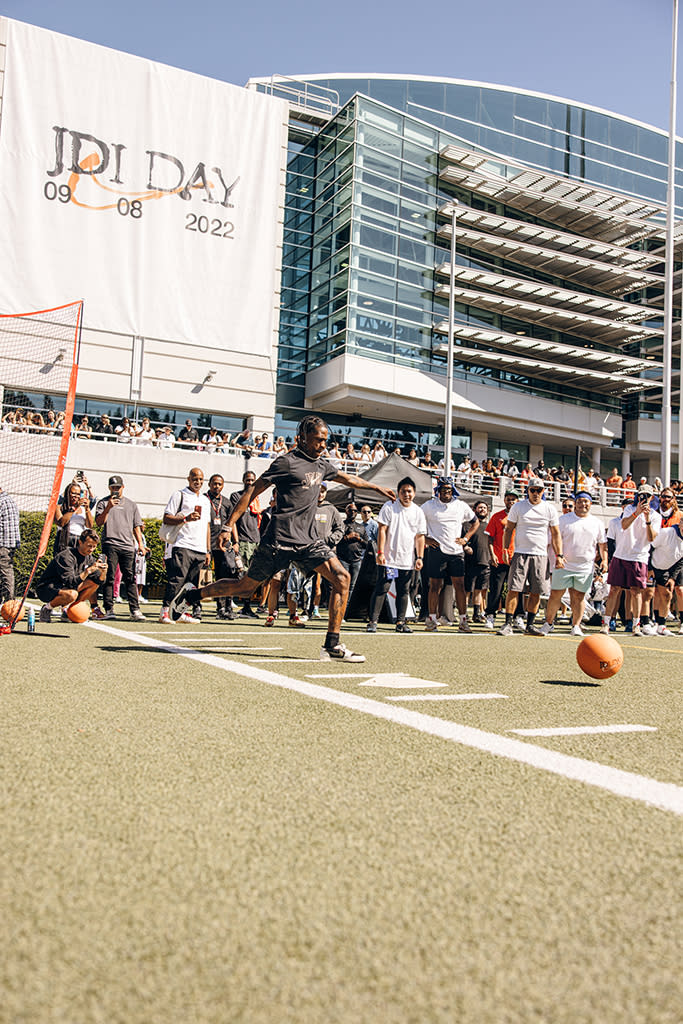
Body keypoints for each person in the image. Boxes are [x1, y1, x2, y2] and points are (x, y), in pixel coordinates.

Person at [168, 414, 396, 662]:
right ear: (303, 438)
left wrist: (376, 488)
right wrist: (227, 526)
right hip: (278, 542)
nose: (323, 445)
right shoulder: (286, 462)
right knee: (245, 588)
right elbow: (253, 491)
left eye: (326, 440)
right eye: (318, 440)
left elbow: (348, 478)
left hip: (309, 542)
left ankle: (332, 644)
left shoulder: (322, 465)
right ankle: (192, 595)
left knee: (342, 577)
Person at [498, 477, 562, 636]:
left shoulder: (549, 509)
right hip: (520, 553)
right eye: (532, 490)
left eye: (539, 490)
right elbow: (509, 529)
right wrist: (506, 549)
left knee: (536, 591)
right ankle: (508, 624)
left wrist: (559, 555)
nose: (535, 493)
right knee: (514, 589)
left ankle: (530, 625)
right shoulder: (518, 507)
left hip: (541, 554)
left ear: (543, 491)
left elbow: (555, 534)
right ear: (527, 491)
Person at [539, 491, 607, 636]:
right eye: (580, 501)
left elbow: (602, 545)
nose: (583, 504)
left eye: (586, 501)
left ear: (590, 504)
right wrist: (558, 556)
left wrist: (605, 560)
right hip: (563, 565)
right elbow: (554, 540)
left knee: (579, 597)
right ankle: (548, 623)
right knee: (556, 595)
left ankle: (576, 626)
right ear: (575, 503)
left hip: (585, 567)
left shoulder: (597, 523)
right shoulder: (563, 520)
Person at [366, 477, 425, 634]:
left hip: (407, 560)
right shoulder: (390, 506)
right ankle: (373, 621)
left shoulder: (418, 511)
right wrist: (380, 552)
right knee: (382, 588)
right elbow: (382, 530)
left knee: (404, 590)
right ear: (398, 492)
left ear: (414, 493)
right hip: (389, 559)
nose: (406, 494)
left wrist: (419, 557)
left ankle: (400, 622)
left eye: (409, 491)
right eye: (403, 491)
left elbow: (420, 536)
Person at [600, 484, 660, 636]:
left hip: (639, 557)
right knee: (614, 589)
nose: (643, 498)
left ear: (651, 497)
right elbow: (624, 525)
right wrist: (637, 513)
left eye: (647, 496)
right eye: (641, 495)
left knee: (636, 591)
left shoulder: (655, 516)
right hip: (621, 555)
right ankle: (606, 623)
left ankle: (636, 625)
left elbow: (651, 538)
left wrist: (646, 519)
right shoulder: (629, 509)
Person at [420, 477, 479, 633]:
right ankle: (432, 620)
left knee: (459, 586)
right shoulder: (428, 506)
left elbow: (476, 522)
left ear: (453, 490)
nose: (446, 492)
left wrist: (466, 539)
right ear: (438, 490)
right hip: (436, 551)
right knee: (434, 586)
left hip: (456, 551)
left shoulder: (461, 506)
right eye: (443, 489)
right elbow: (415, 521)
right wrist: (425, 538)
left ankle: (463, 621)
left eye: (449, 489)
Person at [158, 468, 211, 624]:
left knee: (191, 584)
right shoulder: (179, 495)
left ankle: (179, 612)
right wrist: (186, 518)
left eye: (201, 479)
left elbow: (207, 526)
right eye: (195, 479)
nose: (198, 482)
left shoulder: (205, 500)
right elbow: (166, 518)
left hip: (200, 548)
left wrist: (207, 550)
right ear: (188, 479)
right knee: (177, 580)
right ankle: (165, 611)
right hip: (183, 544)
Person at [95, 475, 147, 621]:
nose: (115, 490)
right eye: (113, 487)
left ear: (123, 487)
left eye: (118, 487)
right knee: (109, 577)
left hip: (128, 546)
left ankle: (135, 610)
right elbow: (98, 523)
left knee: (131, 578)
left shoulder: (131, 504)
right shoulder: (103, 503)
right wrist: (109, 507)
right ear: (109, 488)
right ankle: (109, 609)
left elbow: (136, 526)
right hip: (110, 544)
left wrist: (140, 545)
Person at [36, 529, 106, 622]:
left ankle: (70, 610)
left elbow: (99, 581)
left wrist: (104, 571)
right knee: (73, 594)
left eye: (94, 547)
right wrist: (87, 571)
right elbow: (70, 582)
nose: (91, 549)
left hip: (66, 587)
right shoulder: (66, 556)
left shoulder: (89, 558)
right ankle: (47, 608)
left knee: (93, 583)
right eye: (89, 546)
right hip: (48, 588)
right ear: (80, 542)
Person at [225, 470, 262, 618]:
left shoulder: (256, 498)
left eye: (252, 480)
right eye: (247, 480)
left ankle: (247, 607)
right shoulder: (237, 496)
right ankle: (230, 605)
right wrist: (235, 541)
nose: (250, 482)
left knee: (251, 575)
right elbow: (233, 518)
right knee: (239, 573)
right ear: (243, 480)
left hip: (255, 541)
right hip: (242, 540)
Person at [484, 489, 519, 629]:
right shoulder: (497, 517)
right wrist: (492, 555)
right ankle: (490, 616)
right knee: (496, 589)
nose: (511, 501)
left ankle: (518, 617)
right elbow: (490, 538)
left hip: (516, 558)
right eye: (508, 498)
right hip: (499, 559)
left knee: (517, 589)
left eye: (513, 499)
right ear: (504, 500)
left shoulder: (521, 516)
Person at [650, 488, 683, 635]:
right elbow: (651, 543)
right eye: (663, 497)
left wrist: (673, 576)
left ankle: (680, 621)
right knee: (656, 592)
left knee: (679, 590)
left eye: (668, 497)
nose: (665, 499)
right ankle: (656, 622)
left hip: (676, 558)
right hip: (659, 555)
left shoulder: (679, 515)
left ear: (674, 499)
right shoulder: (654, 514)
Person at [205, 473, 236, 619]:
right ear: (209, 484)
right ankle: (217, 607)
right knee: (212, 577)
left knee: (228, 576)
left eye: (219, 484)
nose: (217, 486)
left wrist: (235, 542)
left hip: (223, 546)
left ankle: (228, 607)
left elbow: (232, 523)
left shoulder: (227, 502)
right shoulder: (204, 500)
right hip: (206, 544)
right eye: (214, 483)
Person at [335, 501, 368, 615]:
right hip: (343, 559)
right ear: (346, 511)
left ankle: (347, 611)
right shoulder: (341, 525)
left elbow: (367, 545)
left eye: (355, 511)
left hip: (356, 560)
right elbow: (335, 540)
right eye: (350, 510)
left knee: (353, 587)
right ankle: (340, 609)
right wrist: (347, 537)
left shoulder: (361, 527)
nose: (353, 512)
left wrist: (359, 539)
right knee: (342, 585)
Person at [464, 500, 491, 623]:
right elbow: (460, 540)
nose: (482, 510)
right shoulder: (467, 525)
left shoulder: (489, 526)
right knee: (467, 590)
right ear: (474, 509)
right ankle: (464, 614)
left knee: (479, 590)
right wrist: (465, 547)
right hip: (470, 562)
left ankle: (476, 614)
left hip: (485, 562)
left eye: (484, 508)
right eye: (480, 507)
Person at [54, 479, 95, 553]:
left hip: (79, 539)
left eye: (78, 494)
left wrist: (87, 509)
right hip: (64, 539)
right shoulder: (60, 507)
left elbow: (90, 525)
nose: (76, 496)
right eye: (73, 493)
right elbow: (62, 523)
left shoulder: (82, 509)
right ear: (67, 494)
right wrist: (74, 508)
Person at [0, 485, 20, 603]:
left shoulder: (1, 502)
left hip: (3, 543)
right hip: (10, 543)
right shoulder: (9, 500)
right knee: (6, 571)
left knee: (6, 572)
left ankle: (9, 602)